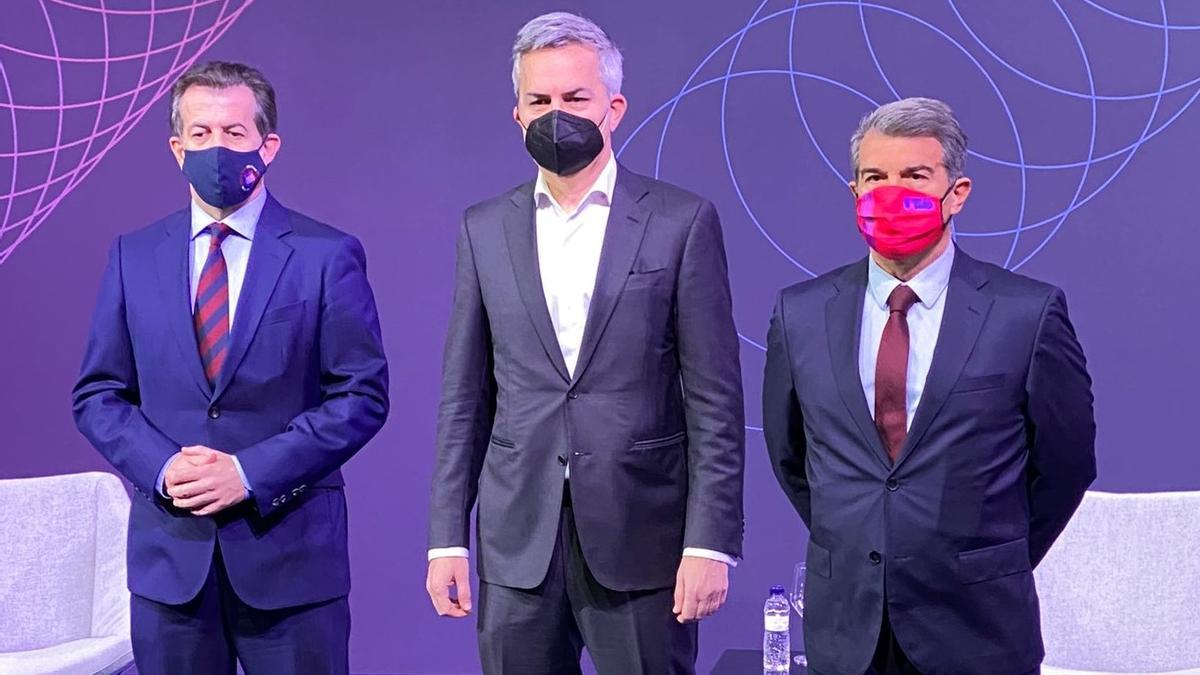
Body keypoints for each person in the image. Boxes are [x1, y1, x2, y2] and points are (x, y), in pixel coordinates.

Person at [425, 12, 745, 674]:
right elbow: (465, 397)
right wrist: (445, 540)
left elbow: (714, 399)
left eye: (575, 99)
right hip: (517, 544)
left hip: (643, 540)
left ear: (614, 107)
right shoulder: (483, 229)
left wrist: (710, 543)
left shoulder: (680, 221)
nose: (555, 114)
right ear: (516, 113)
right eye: (539, 100)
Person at [72, 61, 389, 674]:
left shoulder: (327, 254)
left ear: (267, 146)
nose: (216, 148)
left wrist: (249, 472)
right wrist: (165, 467)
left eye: (234, 133)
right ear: (176, 147)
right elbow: (98, 394)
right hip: (172, 567)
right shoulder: (132, 256)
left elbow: (361, 395)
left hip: (292, 565)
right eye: (200, 134)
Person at [762, 97, 1097, 674]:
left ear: (957, 192)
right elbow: (792, 457)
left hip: (977, 627)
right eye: (875, 177)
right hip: (846, 629)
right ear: (854, 193)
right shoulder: (801, 313)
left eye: (915, 176)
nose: (892, 193)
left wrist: (986, 557)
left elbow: (1065, 465)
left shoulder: (1027, 312)